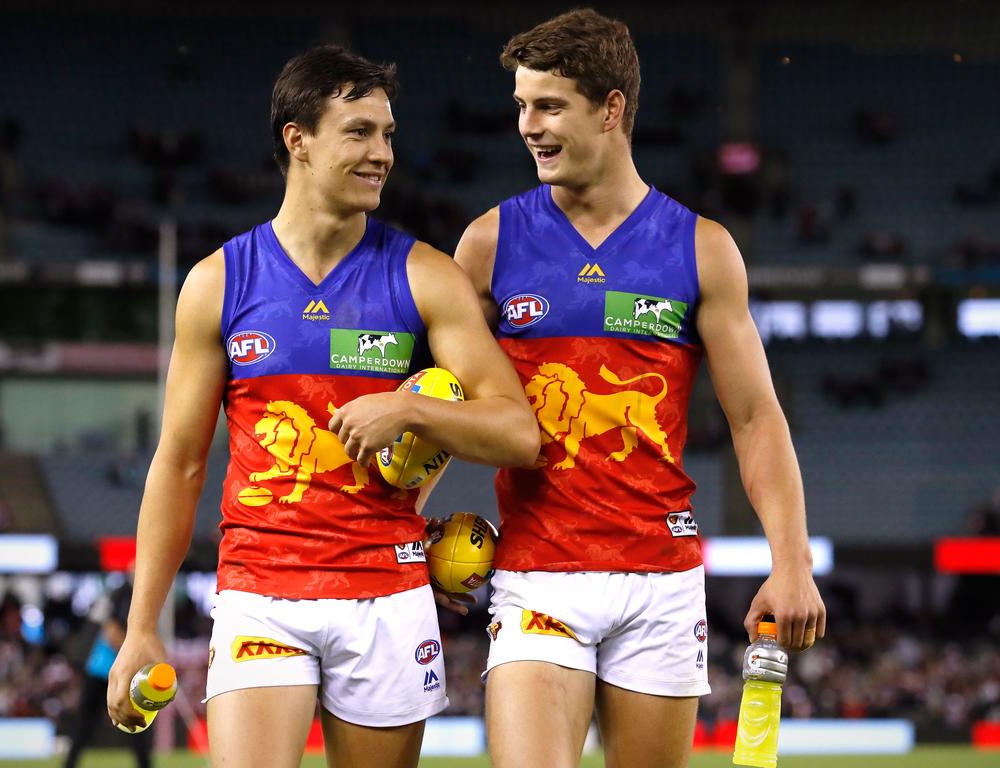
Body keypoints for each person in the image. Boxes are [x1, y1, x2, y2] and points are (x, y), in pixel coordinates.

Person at [106, 45, 538, 768]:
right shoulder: (219, 283)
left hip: (388, 590)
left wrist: (413, 414)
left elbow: (518, 432)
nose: (381, 154)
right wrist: (140, 624)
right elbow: (178, 464)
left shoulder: (425, 276)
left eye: (388, 134)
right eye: (360, 131)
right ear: (297, 139)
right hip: (261, 591)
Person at [454, 10, 827, 768]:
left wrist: (791, 561)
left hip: (661, 581)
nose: (528, 125)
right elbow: (438, 396)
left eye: (549, 105)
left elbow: (757, 419)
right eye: (522, 105)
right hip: (538, 575)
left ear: (612, 108)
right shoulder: (489, 244)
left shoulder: (703, 248)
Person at [65, 575, 152, 768]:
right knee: (91, 725)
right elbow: (112, 630)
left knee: (134, 724)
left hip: (107, 668)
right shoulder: (126, 592)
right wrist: (137, 654)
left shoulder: (125, 591)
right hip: (104, 670)